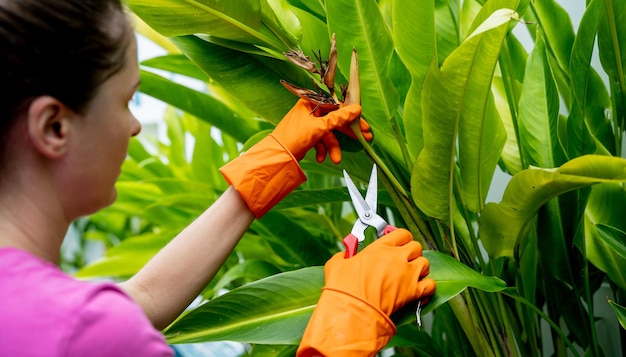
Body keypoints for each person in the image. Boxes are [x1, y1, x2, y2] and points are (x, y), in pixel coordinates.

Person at [0, 0, 436, 356]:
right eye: (126, 101)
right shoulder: (84, 332)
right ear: (54, 127)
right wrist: (349, 322)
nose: (134, 126)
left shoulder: (43, 314)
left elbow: (139, 303)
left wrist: (272, 159)